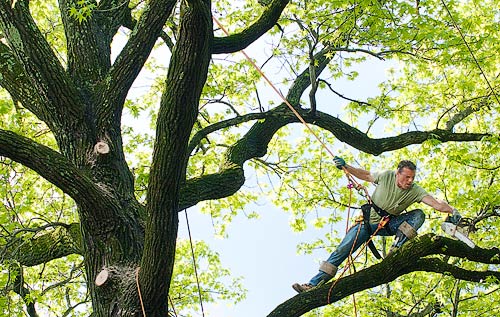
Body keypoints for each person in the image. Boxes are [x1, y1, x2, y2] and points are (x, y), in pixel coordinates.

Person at [292, 157, 461, 293]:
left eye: (412, 177)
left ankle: (396, 248)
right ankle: (313, 284)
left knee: (419, 215)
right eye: (407, 177)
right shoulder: (386, 176)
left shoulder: (415, 190)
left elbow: (436, 204)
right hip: (366, 224)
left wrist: (452, 210)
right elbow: (365, 175)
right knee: (342, 251)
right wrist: (347, 166)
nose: (410, 181)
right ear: (397, 173)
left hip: (390, 225)